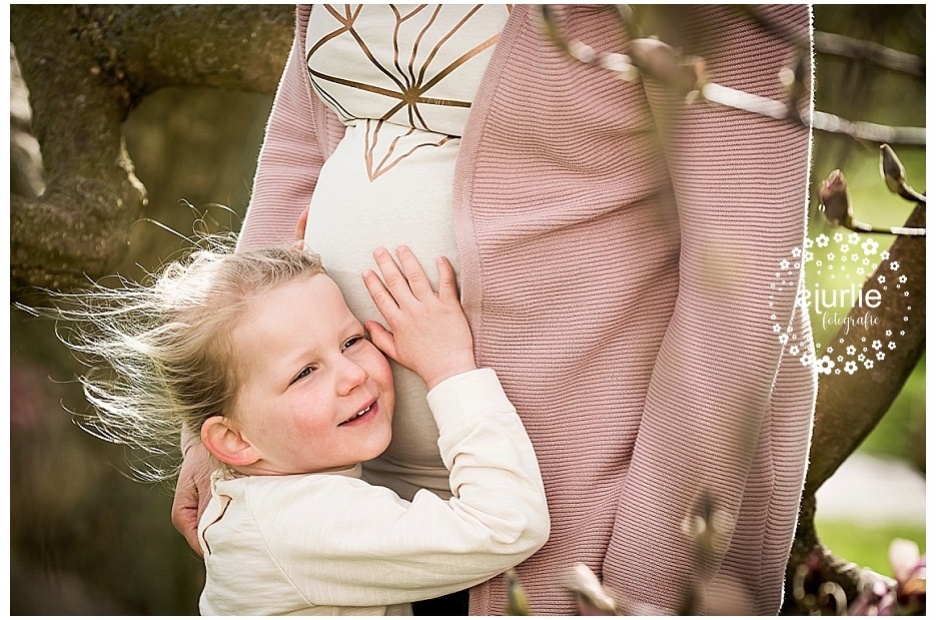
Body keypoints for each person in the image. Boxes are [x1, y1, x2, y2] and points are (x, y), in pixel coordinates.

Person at [173, 5, 816, 615]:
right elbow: (295, 154)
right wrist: (222, 413)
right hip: (345, 498)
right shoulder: (280, 512)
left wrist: (652, 574)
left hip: (576, 522)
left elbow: (742, 285)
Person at [60, 239, 549, 615]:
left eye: (352, 340)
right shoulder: (303, 523)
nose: (353, 375)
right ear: (232, 440)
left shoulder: (270, 492)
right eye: (304, 372)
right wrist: (450, 368)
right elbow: (506, 527)